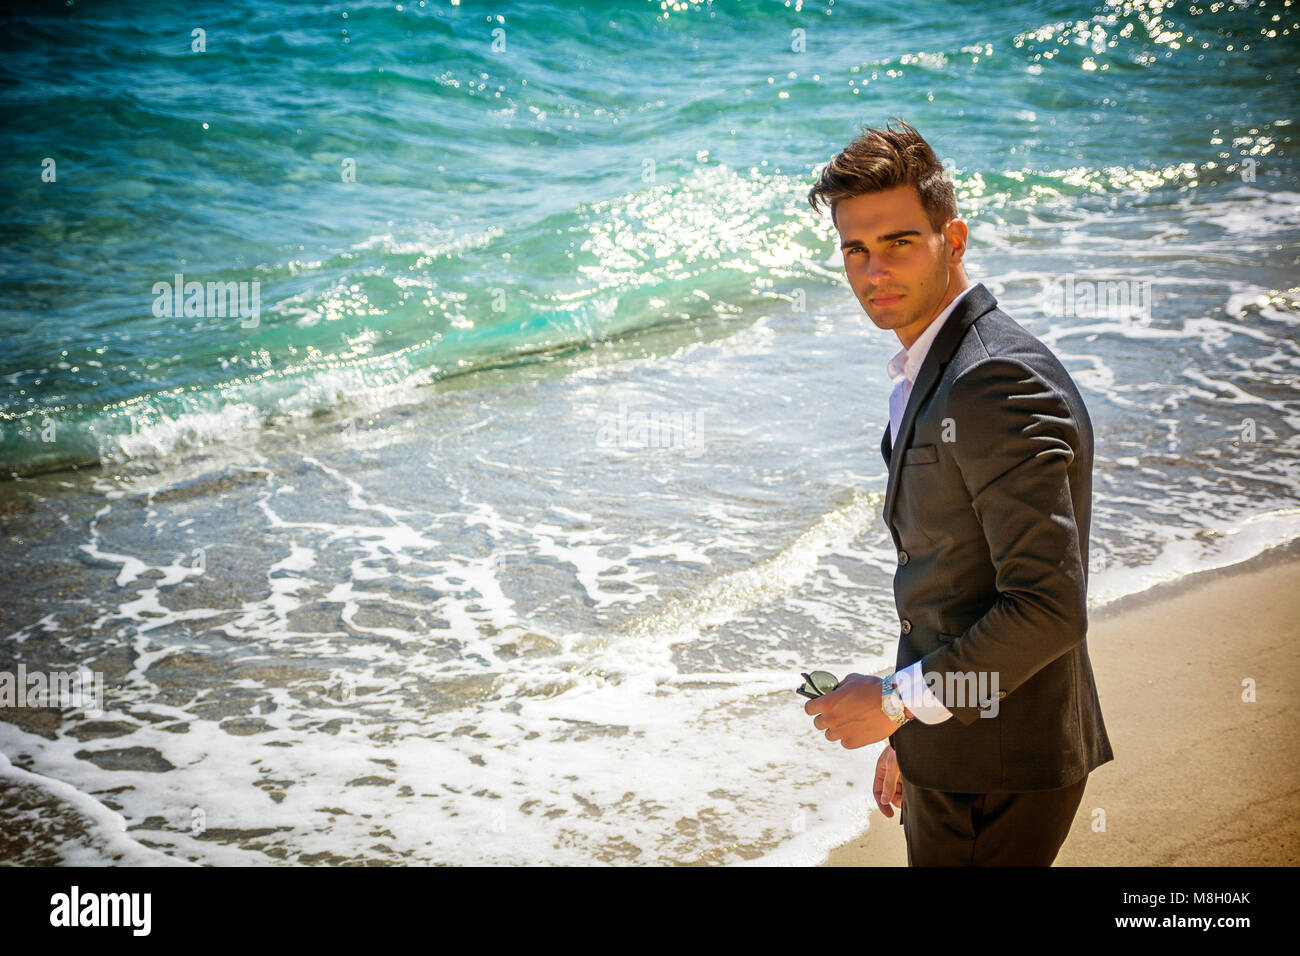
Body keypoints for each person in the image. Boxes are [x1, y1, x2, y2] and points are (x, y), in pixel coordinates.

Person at [801, 118, 1113, 866]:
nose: (874, 270)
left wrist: (890, 704)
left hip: (998, 770)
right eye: (855, 249)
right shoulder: (934, 368)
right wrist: (911, 734)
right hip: (964, 743)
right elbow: (954, 579)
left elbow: (1047, 610)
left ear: (955, 238)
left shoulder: (991, 381)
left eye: (899, 242)